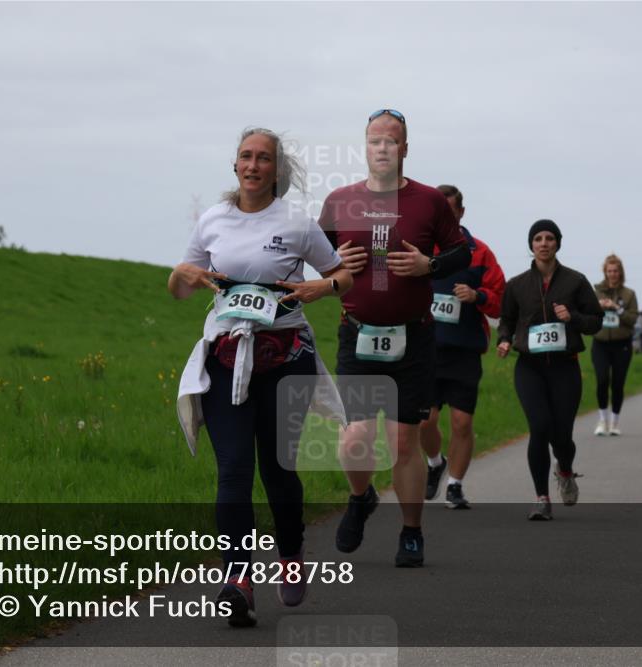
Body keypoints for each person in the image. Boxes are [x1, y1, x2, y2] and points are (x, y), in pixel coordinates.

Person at [173, 128, 353, 627]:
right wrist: (180, 277)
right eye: (246, 157)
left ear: (277, 170)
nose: (253, 165)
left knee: (277, 470)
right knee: (232, 470)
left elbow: (343, 277)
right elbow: (181, 284)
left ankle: (291, 558)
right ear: (235, 166)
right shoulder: (213, 220)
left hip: (285, 357)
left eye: (264, 159)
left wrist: (322, 288)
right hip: (226, 356)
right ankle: (237, 579)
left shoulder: (297, 223)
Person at [319, 109, 470, 566]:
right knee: (354, 439)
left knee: (404, 442)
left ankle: (411, 532)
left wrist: (431, 266)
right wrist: (332, 260)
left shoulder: (429, 201)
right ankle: (360, 498)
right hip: (358, 336)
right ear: (364, 147)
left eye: (391, 141)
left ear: (405, 149)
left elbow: (461, 252)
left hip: (414, 339)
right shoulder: (340, 200)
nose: (382, 148)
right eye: (374, 140)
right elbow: (315, 253)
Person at [497, 220, 603, 521]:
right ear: (531, 245)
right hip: (529, 367)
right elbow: (506, 319)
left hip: (564, 367)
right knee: (539, 427)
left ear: (558, 243)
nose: (544, 243)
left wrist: (573, 317)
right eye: (538, 239)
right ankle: (541, 497)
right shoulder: (517, 285)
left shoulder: (575, 281)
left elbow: (596, 320)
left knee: (562, 436)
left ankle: (566, 469)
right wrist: (504, 340)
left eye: (550, 238)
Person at [419, 184, 506, 509]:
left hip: (465, 350)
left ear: (461, 213)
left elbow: (500, 303)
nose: (444, 217)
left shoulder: (480, 252)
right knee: (424, 421)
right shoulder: (419, 249)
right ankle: (434, 462)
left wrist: (478, 296)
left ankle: (455, 485)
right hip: (425, 350)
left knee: (462, 422)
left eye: (450, 211)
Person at [591, 254, 639, 436]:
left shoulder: (629, 294)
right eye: (609, 271)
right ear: (605, 272)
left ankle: (615, 422)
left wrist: (617, 308)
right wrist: (599, 306)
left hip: (622, 345)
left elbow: (633, 319)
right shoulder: (596, 292)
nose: (612, 274)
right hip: (600, 343)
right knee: (602, 380)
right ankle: (602, 420)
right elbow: (587, 313)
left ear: (620, 273)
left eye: (615, 271)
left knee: (618, 384)